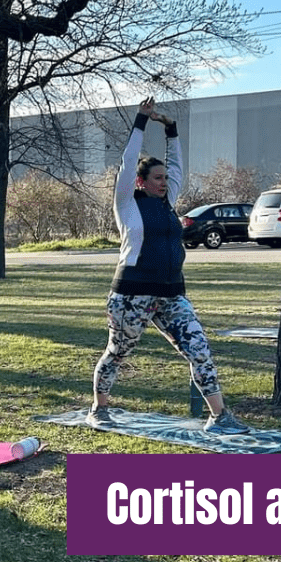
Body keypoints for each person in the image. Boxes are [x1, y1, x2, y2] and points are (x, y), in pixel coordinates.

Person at [90, 97, 251, 435]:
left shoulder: (168, 202)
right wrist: (141, 120)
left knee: (199, 350)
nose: (164, 182)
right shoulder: (127, 203)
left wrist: (171, 129)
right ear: (141, 181)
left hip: (172, 294)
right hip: (132, 295)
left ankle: (219, 416)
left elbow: (177, 166)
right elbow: (128, 161)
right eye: (157, 178)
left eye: (165, 178)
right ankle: (99, 409)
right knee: (117, 352)